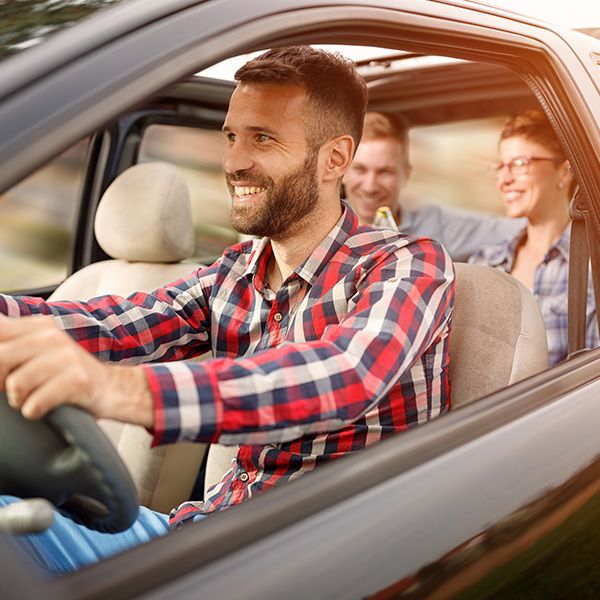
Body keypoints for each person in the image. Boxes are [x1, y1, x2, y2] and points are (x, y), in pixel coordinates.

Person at [0, 46, 454, 574]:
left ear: (334, 159)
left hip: (314, 561)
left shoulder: (408, 264)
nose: (235, 162)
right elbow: (118, 324)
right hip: (204, 535)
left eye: (263, 138)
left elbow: (343, 377)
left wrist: (107, 389)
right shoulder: (236, 272)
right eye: (231, 137)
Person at [470, 109, 598, 366]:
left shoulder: (592, 265)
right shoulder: (485, 263)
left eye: (519, 164)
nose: (504, 179)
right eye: (500, 166)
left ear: (564, 172)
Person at [343, 111, 524, 261]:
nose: (370, 186)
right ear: (342, 170)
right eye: (360, 169)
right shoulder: (322, 227)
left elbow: (519, 228)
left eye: (385, 172)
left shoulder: (435, 225)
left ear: (406, 175)